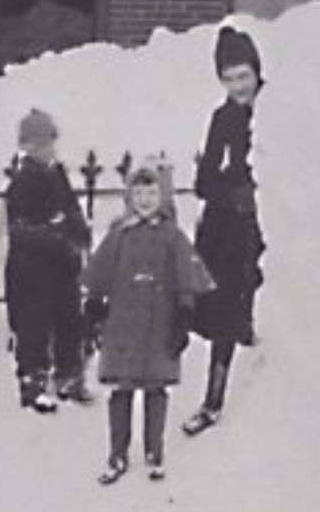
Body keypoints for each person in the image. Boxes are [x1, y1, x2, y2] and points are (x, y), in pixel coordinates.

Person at [82, 166, 215, 484]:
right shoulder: (119, 234)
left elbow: (186, 278)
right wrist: (94, 305)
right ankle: (117, 454)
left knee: (156, 389)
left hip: (160, 325)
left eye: (152, 193)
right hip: (123, 327)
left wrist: (184, 315)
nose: (145, 200)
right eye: (139, 193)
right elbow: (99, 274)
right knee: (122, 389)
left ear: (164, 197)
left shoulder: (173, 237)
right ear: (129, 197)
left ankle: (155, 450)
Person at [182, 26, 268, 436]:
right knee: (225, 315)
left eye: (244, 77)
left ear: (257, 72)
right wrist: (234, 195)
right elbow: (203, 181)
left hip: (276, 220)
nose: (238, 87)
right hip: (232, 226)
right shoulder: (222, 119)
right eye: (229, 79)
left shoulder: (280, 108)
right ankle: (213, 399)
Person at [4, 108, 93, 413]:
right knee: (34, 327)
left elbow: (71, 207)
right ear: (25, 146)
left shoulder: (58, 174)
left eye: (48, 144)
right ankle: (33, 380)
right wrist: (52, 235)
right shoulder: (23, 179)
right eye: (38, 145)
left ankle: (69, 374)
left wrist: (78, 230)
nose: (45, 150)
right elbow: (20, 227)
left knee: (69, 319)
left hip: (62, 266)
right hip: (31, 271)